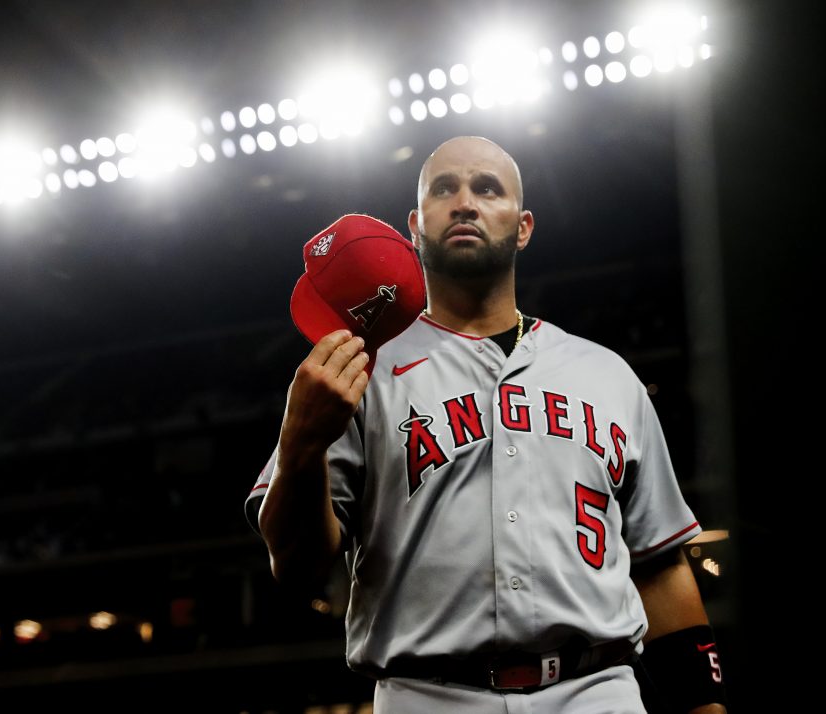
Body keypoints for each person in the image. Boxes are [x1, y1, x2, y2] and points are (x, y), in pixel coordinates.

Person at [245, 136, 727, 713]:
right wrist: (298, 446)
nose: (465, 202)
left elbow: (661, 563)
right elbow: (297, 570)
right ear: (415, 226)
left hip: (597, 691)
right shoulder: (360, 367)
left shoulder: (607, 374)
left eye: (487, 188)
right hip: (427, 695)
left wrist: (707, 707)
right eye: (443, 189)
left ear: (523, 227)